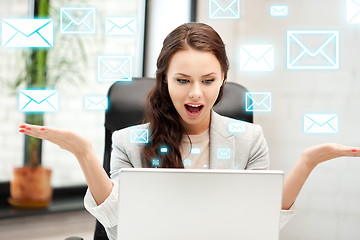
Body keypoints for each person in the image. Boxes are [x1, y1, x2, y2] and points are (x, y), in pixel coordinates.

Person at [19, 22, 360, 240]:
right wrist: (84, 153)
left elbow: (264, 223)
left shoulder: (249, 139)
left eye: (208, 81)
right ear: (165, 80)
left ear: (223, 79)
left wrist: (307, 162)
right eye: (183, 80)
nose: (196, 93)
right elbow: (118, 223)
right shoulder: (127, 140)